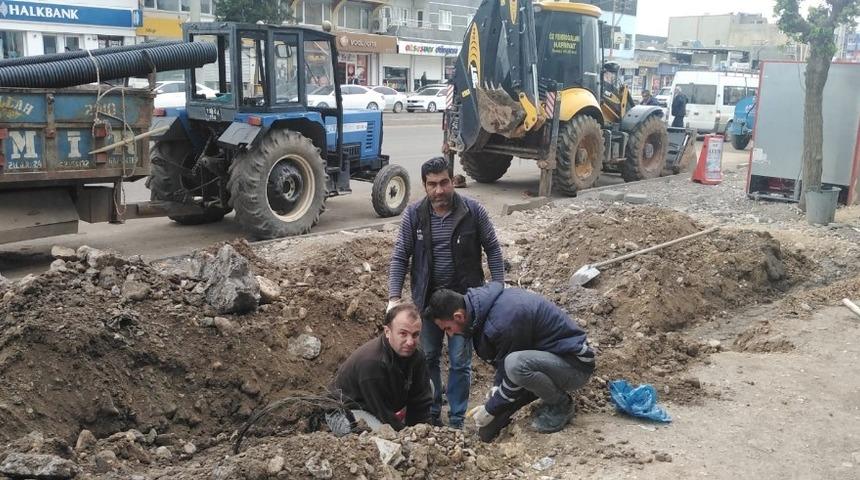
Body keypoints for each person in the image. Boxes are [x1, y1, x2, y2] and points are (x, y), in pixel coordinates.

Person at [388, 156, 505, 429]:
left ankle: (455, 420)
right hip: (427, 304)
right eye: (432, 185)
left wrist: (499, 287)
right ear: (424, 186)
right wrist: (393, 297)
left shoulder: (473, 212)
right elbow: (399, 258)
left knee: (460, 362)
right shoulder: (414, 215)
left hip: (463, 305)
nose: (439, 190)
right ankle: (431, 413)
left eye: (444, 182)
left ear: (453, 181)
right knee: (427, 357)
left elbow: (493, 249)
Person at [423, 283, 595, 442]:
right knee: (487, 432)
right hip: (546, 363)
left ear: (458, 316)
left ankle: (561, 404)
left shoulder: (504, 319)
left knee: (515, 366)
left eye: (448, 329)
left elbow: (513, 368)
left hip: (574, 365)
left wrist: (491, 407)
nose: (450, 335)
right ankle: (545, 395)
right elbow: (505, 359)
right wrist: (496, 389)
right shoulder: (482, 311)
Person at [329, 303, 432, 431]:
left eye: (415, 335)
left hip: (382, 401)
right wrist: (405, 435)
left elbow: (421, 401)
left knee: (429, 384)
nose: (410, 342)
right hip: (351, 408)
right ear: (388, 332)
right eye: (403, 334)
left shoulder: (416, 355)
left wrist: (421, 431)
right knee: (381, 436)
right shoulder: (372, 363)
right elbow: (381, 412)